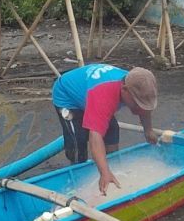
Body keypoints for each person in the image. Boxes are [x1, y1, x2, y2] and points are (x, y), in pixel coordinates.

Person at [51, 63, 158, 194]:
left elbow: (144, 108)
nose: (139, 107)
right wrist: (104, 172)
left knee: (112, 130)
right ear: (124, 90)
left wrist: (148, 130)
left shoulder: (138, 82)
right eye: (137, 103)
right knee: (78, 142)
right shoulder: (104, 96)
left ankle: (115, 168)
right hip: (67, 96)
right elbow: (95, 136)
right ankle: (78, 184)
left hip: (90, 91)